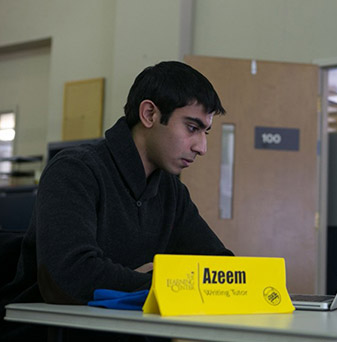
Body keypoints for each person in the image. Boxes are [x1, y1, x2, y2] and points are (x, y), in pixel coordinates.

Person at [0, 61, 233, 341]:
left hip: (130, 332)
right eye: (192, 127)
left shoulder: (171, 191)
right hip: (58, 334)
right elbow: (69, 277)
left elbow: (222, 268)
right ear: (149, 114)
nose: (201, 147)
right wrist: (159, 281)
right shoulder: (75, 170)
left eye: (205, 132)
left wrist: (153, 277)